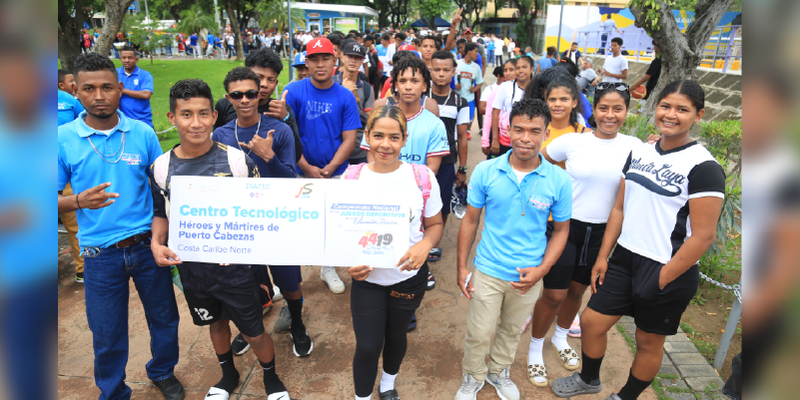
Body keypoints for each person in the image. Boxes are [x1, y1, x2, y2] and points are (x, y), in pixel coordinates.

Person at [550, 80, 726, 400]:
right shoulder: (641, 151)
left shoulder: (704, 167)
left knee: (648, 341)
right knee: (591, 321)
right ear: (655, 108)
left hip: (667, 267)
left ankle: (626, 397)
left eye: (682, 109)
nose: (671, 115)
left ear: (698, 115)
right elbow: (618, 208)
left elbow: (703, 236)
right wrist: (604, 256)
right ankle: (589, 379)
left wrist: (663, 277)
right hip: (624, 258)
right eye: (666, 106)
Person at [148, 79, 292, 400]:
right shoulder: (161, 168)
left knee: (254, 332)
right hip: (194, 272)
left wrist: (240, 242)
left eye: (202, 114)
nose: (195, 123)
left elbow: (258, 211)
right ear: (172, 118)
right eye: (186, 114)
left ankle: (271, 378)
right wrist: (157, 243)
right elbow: (161, 215)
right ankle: (228, 375)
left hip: (237, 271)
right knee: (215, 325)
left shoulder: (236, 161)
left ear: (214, 116)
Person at [57, 53, 183, 400]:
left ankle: (162, 371)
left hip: (147, 247)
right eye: (89, 88)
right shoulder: (61, 138)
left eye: (107, 87)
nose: (99, 95)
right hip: (99, 255)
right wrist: (79, 201)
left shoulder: (141, 133)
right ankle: (113, 391)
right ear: (75, 92)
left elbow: (160, 187)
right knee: (107, 331)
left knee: (164, 318)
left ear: (120, 89)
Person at [526, 82, 642, 388]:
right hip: (566, 228)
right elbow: (543, 161)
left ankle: (561, 338)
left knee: (577, 292)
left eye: (618, 109)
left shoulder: (636, 147)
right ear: (594, 108)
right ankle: (535, 349)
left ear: (626, 112)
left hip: (602, 232)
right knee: (553, 294)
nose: (610, 115)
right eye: (604, 108)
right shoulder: (573, 143)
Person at [455, 98, 572, 400]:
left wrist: (541, 271)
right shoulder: (486, 170)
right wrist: (462, 267)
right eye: (519, 129)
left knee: (510, 331)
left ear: (546, 134)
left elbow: (561, 230)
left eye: (535, 131)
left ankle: (498, 371)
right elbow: (469, 221)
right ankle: (473, 375)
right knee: (479, 333)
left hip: (528, 274)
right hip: (489, 269)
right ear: (508, 129)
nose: (525, 138)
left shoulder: (558, 179)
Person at [345, 105, 444, 400]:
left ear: (404, 138)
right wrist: (349, 262)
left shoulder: (421, 177)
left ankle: (388, 385)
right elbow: (341, 232)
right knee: (367, 345)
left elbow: (435, 223)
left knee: (396, 335)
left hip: (408, 277)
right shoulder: (352, 178)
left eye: (393, 137)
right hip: (368, 279)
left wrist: (425, 245)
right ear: (367, 136)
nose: (385, 145)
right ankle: (361, 397)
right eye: (377, 136)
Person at [284, 37, 361, 294]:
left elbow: (350, 138)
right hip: (300, 172)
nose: (320, 64)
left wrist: (328, 170)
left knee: (332, 223)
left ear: (334, 60)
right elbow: (287, 135)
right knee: (296, 224)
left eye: (325, 58)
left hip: (335, 173)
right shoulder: (294, 91)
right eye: (314, 59)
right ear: (306, 62)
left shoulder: (345, 96)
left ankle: (328, 267)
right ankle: (287, 278)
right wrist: (307, 168)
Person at [213, 48, 303, 164]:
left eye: (271, 80)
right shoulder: (225, 106)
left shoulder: (281, 110)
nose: (264, 84)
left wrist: (286, 118)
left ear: (276, 83)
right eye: (259, 77)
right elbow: (216, 148)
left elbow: (295, 156)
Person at [427, 49, 469, 274]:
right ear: (430, 70)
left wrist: (462, 168)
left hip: (446, 161)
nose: (441, 74)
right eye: (436, 69)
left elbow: (462, 137)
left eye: (446, 70)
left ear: (454, 71)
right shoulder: (421, 97)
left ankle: (434, 241)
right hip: (422, 160)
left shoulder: (460, 102)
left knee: (441, 203)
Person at [334, 39, 375, 166]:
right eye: (350, 56)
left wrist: (350, 98)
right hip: (334, 147)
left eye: (358, 58)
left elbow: (367, 121)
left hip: (359, 151)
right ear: (342, 56)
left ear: (362, 61)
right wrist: (345, 94)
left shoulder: (367, 88)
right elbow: (327, 115)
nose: (353, 60)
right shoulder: (330, 84)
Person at [490, 56, 534, 156]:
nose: (520, 71)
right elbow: (495, 113)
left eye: (524, 67)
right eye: (517, 68)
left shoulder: (538, 89)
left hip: (528, 140)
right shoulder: (505, 87)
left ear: (532, 69)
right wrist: (495, 139)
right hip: (505, 139)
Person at [481, 60, 517, 158]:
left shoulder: (526, 90)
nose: (508, 73)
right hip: (498, 134)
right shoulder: (498, 90)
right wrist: (486, 141)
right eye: (505, 70)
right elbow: (489, 116)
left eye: (511, 70)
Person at [117, 46, 155, 128]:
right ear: (120, 59)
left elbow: (146, 94)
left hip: (143, 122)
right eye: (124, 58)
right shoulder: (114, 74)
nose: (127, 60)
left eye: (130, 58)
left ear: (136, 59)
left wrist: (123, 91)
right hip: (124, 123)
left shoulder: (145, 75)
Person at [455, 43, 484, 128]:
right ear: (469, 52)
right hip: (457, 98)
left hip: (470, 99)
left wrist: (475, 89)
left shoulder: (476, 67)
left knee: (468, 121)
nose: (477, 54)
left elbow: (480, 82)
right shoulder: (457, 64)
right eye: (475, 51)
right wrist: (455, 85)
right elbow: (450, 78)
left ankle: (467, 132)